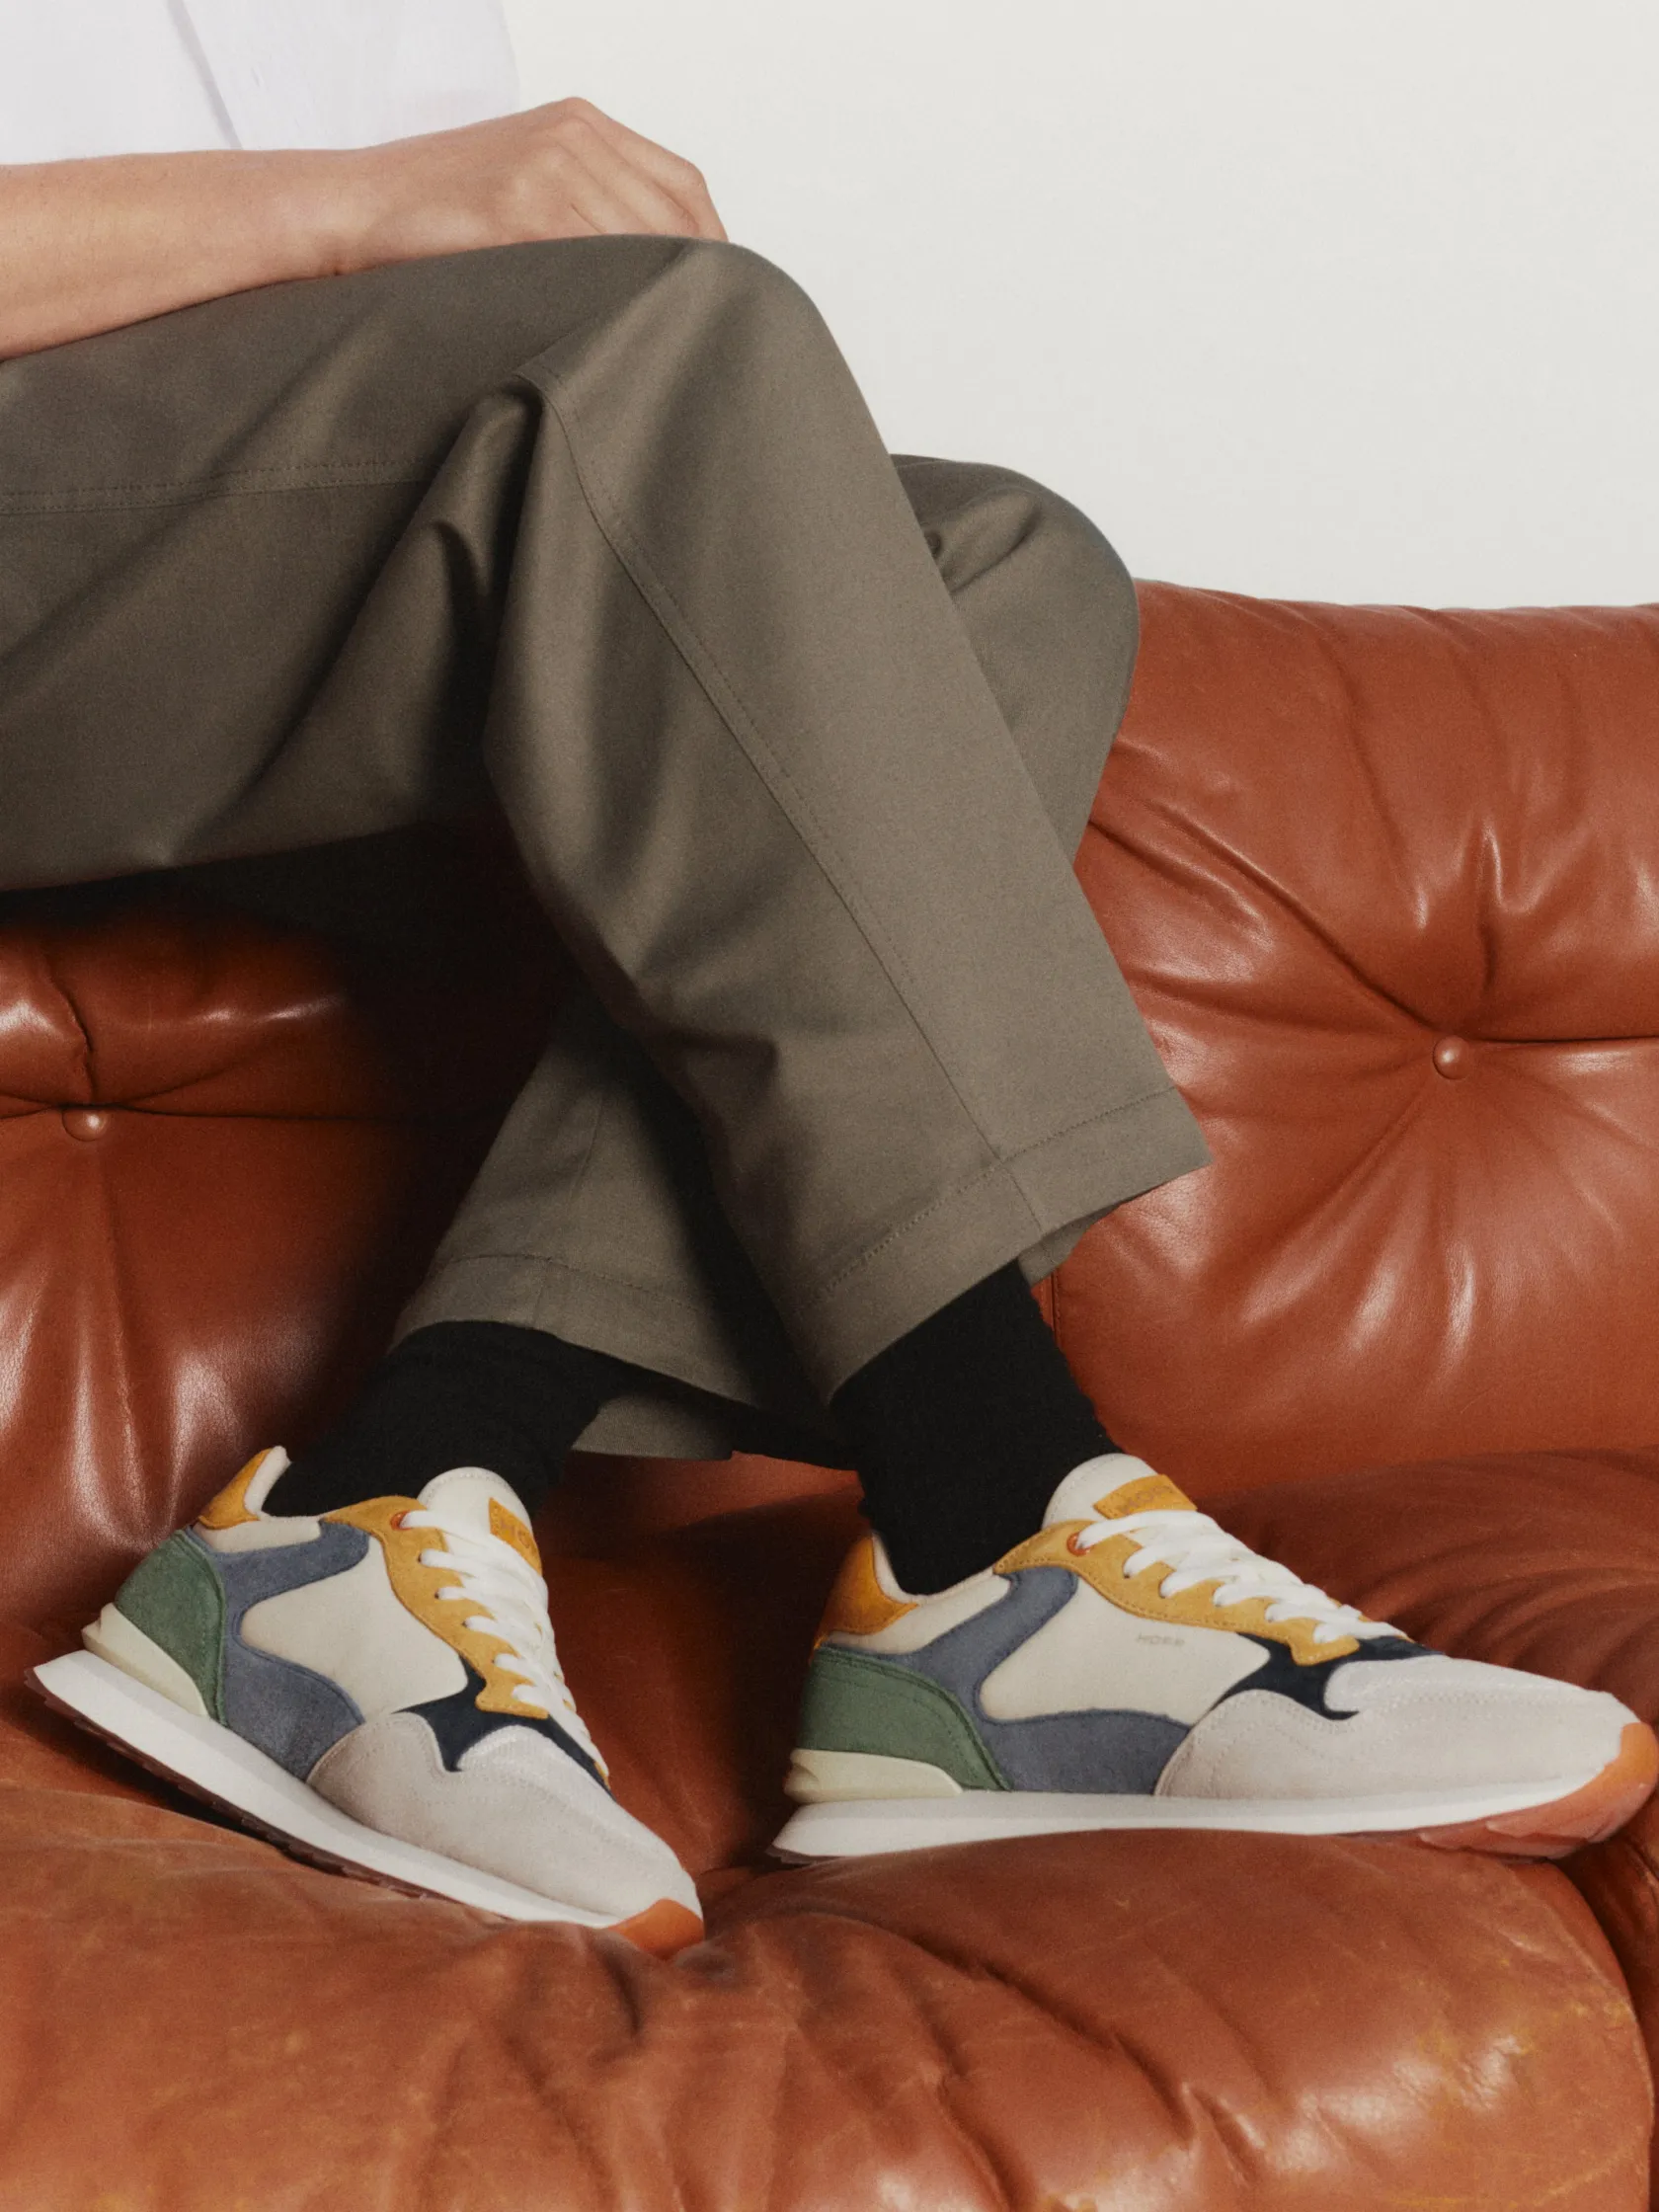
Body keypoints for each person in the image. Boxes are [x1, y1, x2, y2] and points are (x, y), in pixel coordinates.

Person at [11, 1, 1653, 1959]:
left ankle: (385, 1513)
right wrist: (372, 207)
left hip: (187, 617)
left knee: (989, 569)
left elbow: (460, 342)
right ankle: (1003, 1525)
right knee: (665, 347)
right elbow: (483, 289)